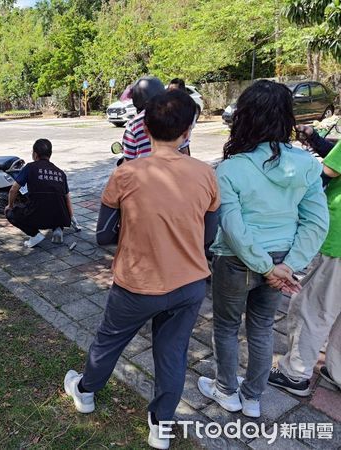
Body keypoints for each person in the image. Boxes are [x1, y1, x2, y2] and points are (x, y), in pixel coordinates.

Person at [64, 90, 220, 450]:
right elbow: (209, 236)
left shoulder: (127, 173)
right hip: (190, 284)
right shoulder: (206, 174)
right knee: (173, 353)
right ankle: (161, 425)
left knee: (109, 341)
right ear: (188, 131)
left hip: (136, 285)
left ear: (145, 127)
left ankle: (85, 391)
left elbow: (103, 236)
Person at [198, 80, 329, 419]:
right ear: (286, 118)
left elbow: (233, 226)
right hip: (282, 261)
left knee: (226, 327)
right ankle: (253, 397)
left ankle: (226, 390)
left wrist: (265, 267)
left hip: (236, 262)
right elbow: (315, 222)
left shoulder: (230, 168)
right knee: (262, 326)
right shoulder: (307, 165)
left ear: (245, 117)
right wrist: (288, 265)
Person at [268, 128, 341, 396]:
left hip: (338, 245)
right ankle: (337, 370)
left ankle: (295, 373)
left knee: (313, 308)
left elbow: (326, 173)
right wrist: (317, 141)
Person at [4, 138, 73, 248]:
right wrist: (71, 217)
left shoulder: (30, 167)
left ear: (35, 154)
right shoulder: (60, 173)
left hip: (36, 218)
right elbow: (67, 197)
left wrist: (10, 206)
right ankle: (58, 229)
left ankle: (35, 235)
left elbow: (13, 189)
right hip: (60, 218)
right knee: (56, 202)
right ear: (50, 154)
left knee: (10, 212)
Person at [121, 76, 165, 161]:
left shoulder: (134, 123)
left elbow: (128, 159)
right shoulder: (174, 116)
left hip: (144, 171)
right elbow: (184, 150)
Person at [167, 78, 192, 156]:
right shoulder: (165, 107)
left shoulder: (188, 107)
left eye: (174, 91)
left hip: (182, 146)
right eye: (169, 91)